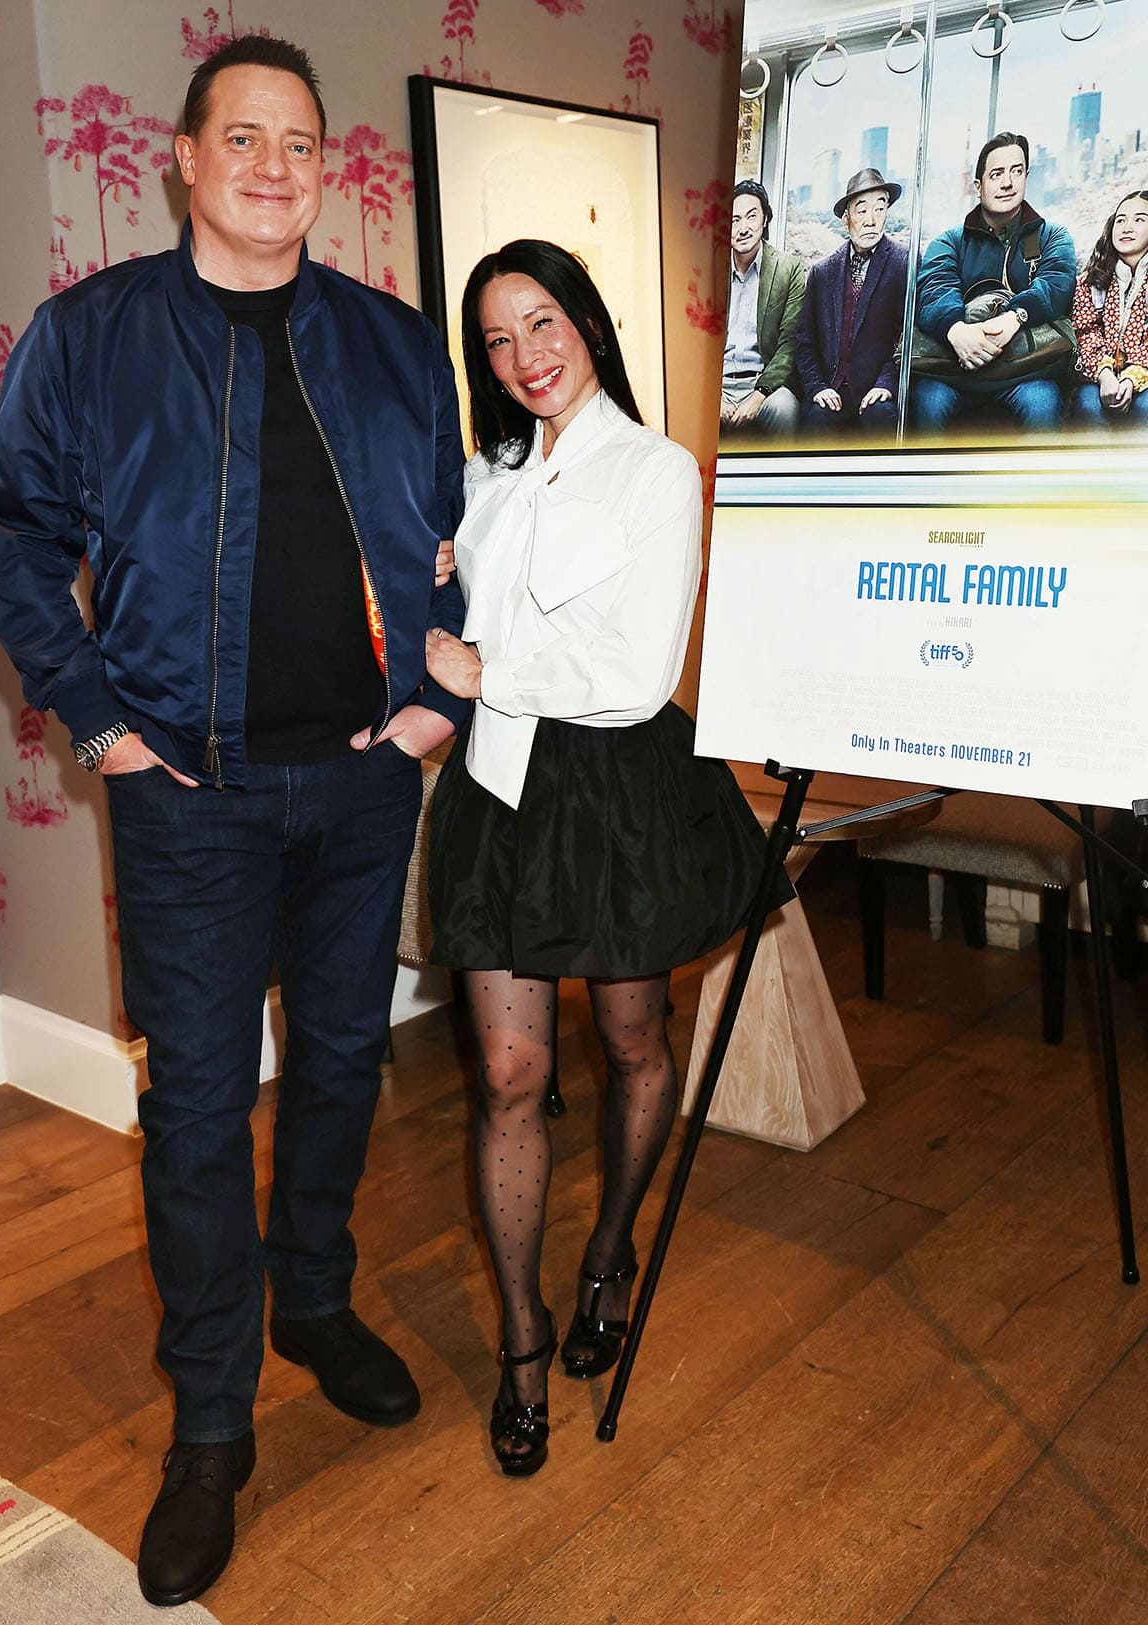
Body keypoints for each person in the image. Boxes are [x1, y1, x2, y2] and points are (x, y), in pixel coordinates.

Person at [0, 35, 466, 1608]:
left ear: (329, 173)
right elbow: (12, 523)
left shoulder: (395, 344)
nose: (274, 166)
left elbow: (467, 540)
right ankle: (209, 1419)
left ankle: (311, 1299)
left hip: (366, 774)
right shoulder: (93, 337)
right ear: (181, 157)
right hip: (186, 793)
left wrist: (445, 699)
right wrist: (101, 724)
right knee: (195, 1107)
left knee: (337, 1059)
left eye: (302, 144)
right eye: (242, 137)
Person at [423, 240, 787, 1478]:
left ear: (585, 319)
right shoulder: (485, 476)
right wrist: (446, 578)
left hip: (620, 792)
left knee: (633, 1041)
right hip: (500, 793)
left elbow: (636, 677)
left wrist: (489, 670)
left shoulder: (655, 471)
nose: (523, 357)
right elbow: (451, 609)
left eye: (542, 323)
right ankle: (524, 1337)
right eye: (496, 339)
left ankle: (611, 1247)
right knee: (511, 1075)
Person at [912, 132, 1076, 433]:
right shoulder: (949, 241)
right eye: (997, 174)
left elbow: (1056, 284)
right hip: (952, 370)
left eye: (1017, 171)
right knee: (927, 402)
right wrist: (956, 330)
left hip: (1026, 370)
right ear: (978, 186)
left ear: (1027, 176)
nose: (1007, 183)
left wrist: (1016, 317)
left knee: (1043, 402)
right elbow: (935, 289)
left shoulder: (1052, 236)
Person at [795, 166, 907, 437]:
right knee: (814, 424)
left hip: (878, 392)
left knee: (881, 419)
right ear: (846, 219)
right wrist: (817, 387)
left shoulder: (904, 264)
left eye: (879, 209)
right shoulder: (822, 272)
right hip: (832, 389)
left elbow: (909, 338)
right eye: (861, 210)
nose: (871, 220)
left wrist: (886, 384)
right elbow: (804, 342)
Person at [721, 179, 804, 440]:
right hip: (718, 385)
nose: (743, 228)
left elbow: (789, 342)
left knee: (784, 409)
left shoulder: (788, 269)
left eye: (751, 216)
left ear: (765, 218)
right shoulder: (705, 267)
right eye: (734, 220)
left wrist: (759, 395)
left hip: (763, 381)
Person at [1072, 190, 1148, 430]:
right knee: (1087, 404)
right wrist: (1104, 374)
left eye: (1139, 219)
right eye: (1121, 220)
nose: (1127, 227)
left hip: (1144, 376)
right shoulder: (1091, 280)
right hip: (1097, 376)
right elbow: (1084, 331)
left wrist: (1132, 377)